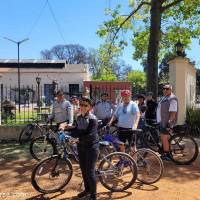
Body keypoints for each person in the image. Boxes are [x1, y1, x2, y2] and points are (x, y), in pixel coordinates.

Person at [62, 97, 99, 200]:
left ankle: (93, 195)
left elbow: (90, 135)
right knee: (83, 170)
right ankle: (87, 190)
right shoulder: (79, 117)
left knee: (90, 171)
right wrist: (66, 129)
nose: (82, 107)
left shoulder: (93, 119)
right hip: (81, 147)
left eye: (85, 105)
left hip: (92, 147)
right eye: (81, 105)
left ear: (90, 107)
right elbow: (77, 129)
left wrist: (77, 139)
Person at [156, 84, 178, 161]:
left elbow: (173, 111)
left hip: (166, 122)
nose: (165, 90)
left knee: (164, 138)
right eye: (164, 89)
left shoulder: (172, 98)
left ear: (171, 90)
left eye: (167, 89)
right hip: (161, 121)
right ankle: (169, 153)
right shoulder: (164, 97)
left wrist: (169, 121)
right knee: (167, 138)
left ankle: (166, 154)